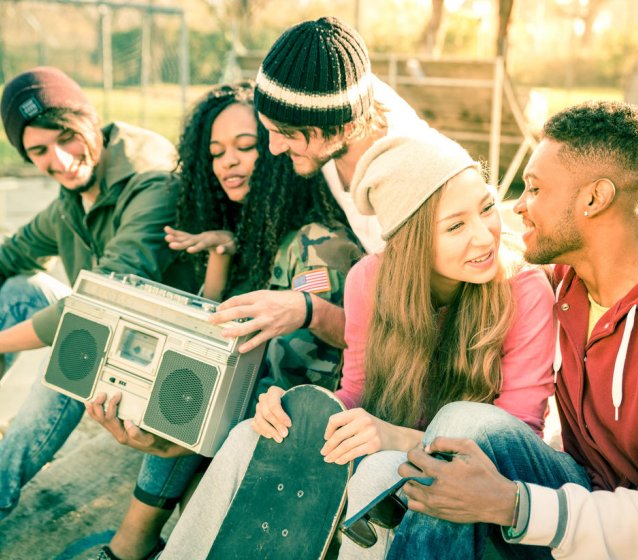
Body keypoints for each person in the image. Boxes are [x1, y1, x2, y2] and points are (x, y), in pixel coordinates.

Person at [157, 131, 557, 559]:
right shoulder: (369, 280)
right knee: (250, 437)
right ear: (410, 239)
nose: (485, 237)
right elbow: (355, 393)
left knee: (381, 471)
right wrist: (298, 411)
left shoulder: (524, 289)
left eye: (486, 208)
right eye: (456, 225)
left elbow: (514, 442)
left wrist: (393, 437)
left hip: (482, 492)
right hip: (400, 456)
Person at [378, 101, 638, 560]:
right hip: (572, 496)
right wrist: (308, 307)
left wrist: (511, 504)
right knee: (464, 431)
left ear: (593, 198)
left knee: (464, 425)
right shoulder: (561, 280)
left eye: (535, 189)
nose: (518, 206)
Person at [86, 83, 364, 560]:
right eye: (216, 153)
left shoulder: (317, 248)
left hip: (298, 430)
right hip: (252, 417)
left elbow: (320, 368)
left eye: (246, 146)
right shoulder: (254, 236)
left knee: (192, 408)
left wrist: (191, 430)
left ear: (278, 150)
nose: (227, 163)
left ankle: (128, 547)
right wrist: (219, 259)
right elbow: (209, 342)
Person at [0, 66, 196, 524]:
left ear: (87, 122)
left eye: (64, 137)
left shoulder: (152, 182)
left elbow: (107, 302)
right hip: (109, 333)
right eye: (39, 151)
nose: (61, 159)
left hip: (168, 365)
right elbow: (13, 255)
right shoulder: (74, 195)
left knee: (76, 355)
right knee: (21, 289)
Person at [211, 16, 429, 355]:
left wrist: (307, 310)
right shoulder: (341, 96)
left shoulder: (405, 190)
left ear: (338, 126)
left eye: (286, 134)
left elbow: (405, 346)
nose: (274, 148)